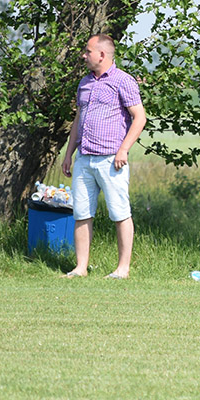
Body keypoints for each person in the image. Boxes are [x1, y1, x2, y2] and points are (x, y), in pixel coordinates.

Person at [61, 34, 147, 279]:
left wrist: (124, 149)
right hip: (84, 158)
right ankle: (80, 268)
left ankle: (123, 269)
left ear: (102, 54)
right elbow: (78, 119)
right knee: (81, 213)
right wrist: (69, 154)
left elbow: (139, 118)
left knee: (120, 213)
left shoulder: (123, 81)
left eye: (87, 51)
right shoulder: (84, 83)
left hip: (111, 160)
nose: (83, 55)